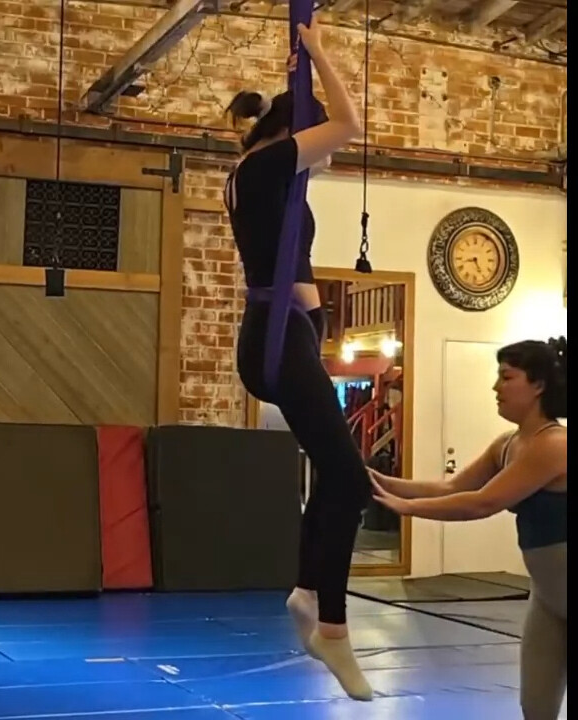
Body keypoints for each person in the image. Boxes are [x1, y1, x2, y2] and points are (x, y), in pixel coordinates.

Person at [221, 14, 374, 702]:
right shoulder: (264, 167)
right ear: (292, 131)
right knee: (351, 482)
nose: (327, 157)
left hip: (287, 334)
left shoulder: (257, 173)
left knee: (337, 478)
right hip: (278, 335)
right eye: (310, 136)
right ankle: (331, 626)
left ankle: (308, 594)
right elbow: (350, 123)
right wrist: (316, 51)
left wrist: (298, 77)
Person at [369, 337, 568, 720]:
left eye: (506, 377)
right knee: (536, 708)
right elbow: (451, 488)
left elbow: (482, 503)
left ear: (539, 385)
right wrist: (378, 482)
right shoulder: (507, 444)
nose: (496, 387)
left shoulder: (554, 445)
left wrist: (406, 508)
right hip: (548, 596)